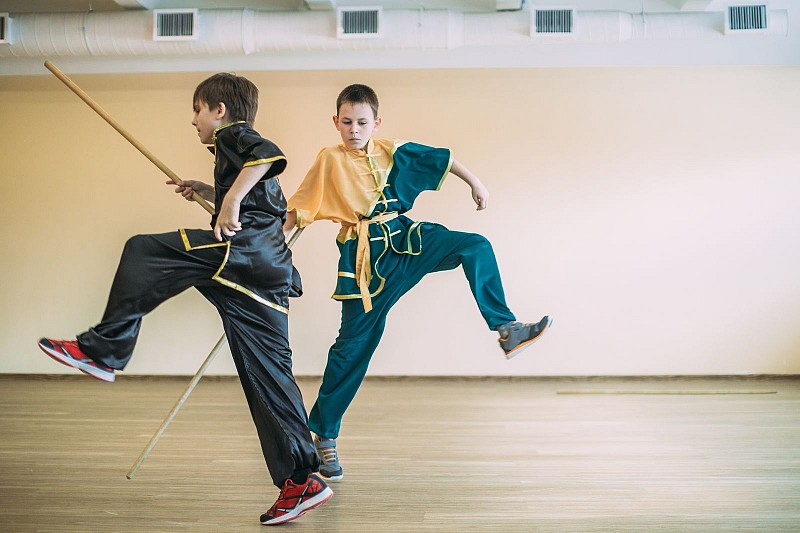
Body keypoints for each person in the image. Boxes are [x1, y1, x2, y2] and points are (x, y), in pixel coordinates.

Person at [37, 73, 332, 525]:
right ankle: (302, 480)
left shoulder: (235, 135)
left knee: (144, 250)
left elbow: (270, 155)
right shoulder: (230, 159)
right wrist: (213, 193)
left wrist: (229, 203)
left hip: (243, 254)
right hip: (266, 272)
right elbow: (260, 198)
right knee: (269, 374)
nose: (194, 120)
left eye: (198, 110)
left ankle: (104, 350)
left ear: (220, 110)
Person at [285, 83, 552, 481]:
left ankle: (506, 327)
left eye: (362, 122)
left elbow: (444, 159)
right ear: (336, 122)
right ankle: (324, 435)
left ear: (376, 122)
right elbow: (299, 209)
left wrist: (476, 183)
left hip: (406, 240)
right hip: (365, 262)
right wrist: (267, 244)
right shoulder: (329, 159)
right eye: (347, 122)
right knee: (353, 348)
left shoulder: (393, 150)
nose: (355, 129)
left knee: (474, 245)